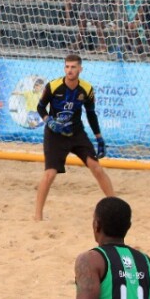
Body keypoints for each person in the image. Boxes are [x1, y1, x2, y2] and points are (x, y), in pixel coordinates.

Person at [35, 54, 114, 221]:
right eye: (67, 67)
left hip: (76, 133)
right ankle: (37, 215)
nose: (69, 70)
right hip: (55, 135)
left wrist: (99, 138)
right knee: (50, 174)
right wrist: (49, 121)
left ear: (80, 69)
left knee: (96, 167)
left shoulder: (86, 89)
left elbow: (91, 114)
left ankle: (114, 205)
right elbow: (40, 107)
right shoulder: (53, 86)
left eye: (73, 67)